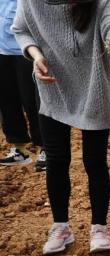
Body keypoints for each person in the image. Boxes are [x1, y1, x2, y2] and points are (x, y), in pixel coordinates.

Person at [12, 0, 110, 255]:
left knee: (95, 161)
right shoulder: (32, 2)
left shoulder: (100, 2)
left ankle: (99, 227)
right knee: (57, 159)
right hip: (52, 85)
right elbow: (21, 29)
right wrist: (36, 55)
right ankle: (60, 227)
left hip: (94, 86)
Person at [0, 0, 44, 171]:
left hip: (28, 48)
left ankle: (45, 148)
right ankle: (19, 149)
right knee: (7, 100)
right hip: (2, 48)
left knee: (33, 100)